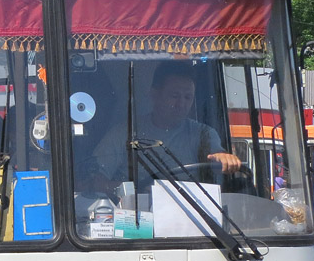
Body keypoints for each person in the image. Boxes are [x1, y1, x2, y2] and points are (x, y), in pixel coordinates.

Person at [92, 61, 241, 192]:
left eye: (187, 97)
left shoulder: (203, 134)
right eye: (174, 96)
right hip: (137, 217)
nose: (181, 104)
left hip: (191, 216)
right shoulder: (125, 133)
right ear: (154, 95)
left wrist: (224, 158)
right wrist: (134, 191)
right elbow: (92, 181)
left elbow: (217, 154)